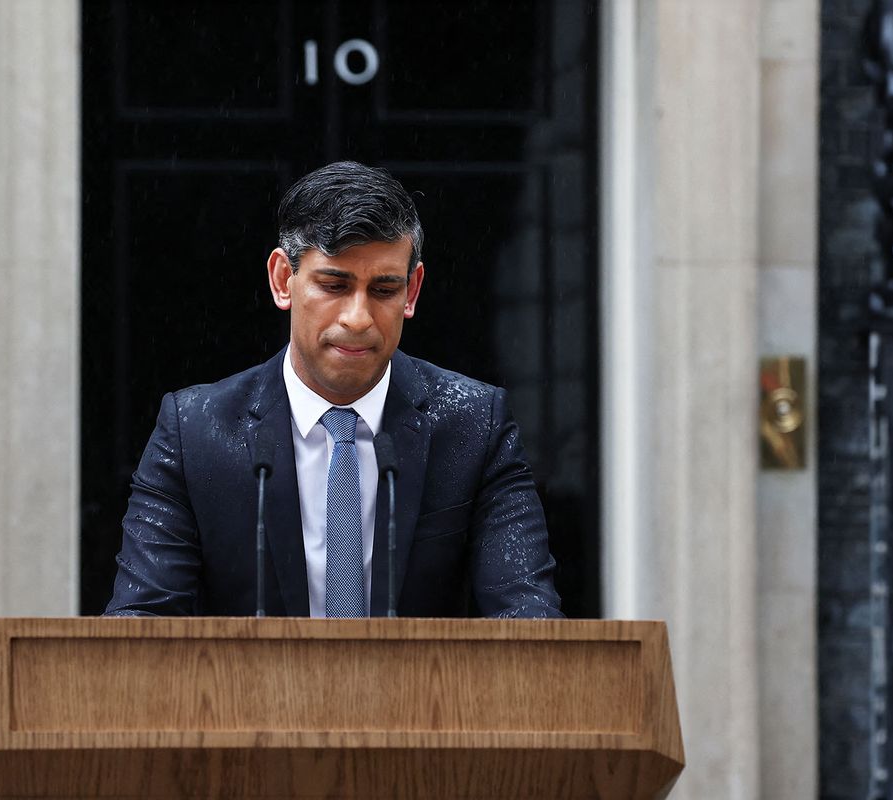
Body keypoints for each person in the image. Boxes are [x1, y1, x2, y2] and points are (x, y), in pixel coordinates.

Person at [105, 161, 563, 618]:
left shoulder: (474, 425)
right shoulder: (196, 432)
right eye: (334, 285)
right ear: (283, 280)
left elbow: (530, 625)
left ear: (412, 291)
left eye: (384, 290)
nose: (358, 318)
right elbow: (140, 633)